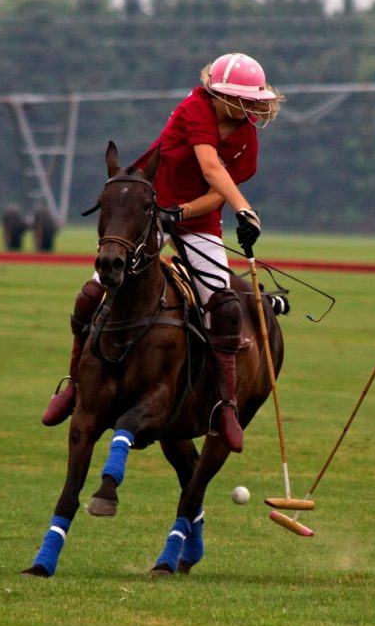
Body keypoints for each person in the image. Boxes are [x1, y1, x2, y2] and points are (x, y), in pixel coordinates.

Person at [41, 52, 283, 454]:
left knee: (222, 306)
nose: (244, 107)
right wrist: (244, 208)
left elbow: (212, 193)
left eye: (250, 100)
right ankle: (74, 387)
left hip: (196, 220)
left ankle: (224, 405)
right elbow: (210, 168)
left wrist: (189, 212)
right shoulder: (195, 109)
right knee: (93, 293)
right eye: (235, 98)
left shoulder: (248, 142)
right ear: (216, 93)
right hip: (148, 210)